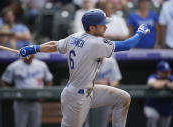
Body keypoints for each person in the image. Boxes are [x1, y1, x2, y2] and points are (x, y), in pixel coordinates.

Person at [19, 9, 150, 127]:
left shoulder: (75, 36)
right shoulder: (95, 43)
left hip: (89, 91)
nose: (105, 26)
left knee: (123, 98)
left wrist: (33, 48)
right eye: (101, 24)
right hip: (76, 96)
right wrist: (139, 33)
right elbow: (127, 45)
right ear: (92, 28)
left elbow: (55, 44)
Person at [0, 55, 53, 127]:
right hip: (21, 102)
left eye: (31, 53)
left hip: (36, 101)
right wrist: (13, 95)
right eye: (27, 54)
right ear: (22, 55)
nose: (29, 56)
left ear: (34, 55)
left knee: (35, 125)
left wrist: (43, 95)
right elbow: (3, 82)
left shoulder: (41, 65)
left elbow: (49, 80)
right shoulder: (14, 66)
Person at [144, 61, 173, 127]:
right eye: (164, 71)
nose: (166, 73)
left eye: (168, 71)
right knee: (153, 116)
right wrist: (166, 82)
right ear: (158, 72)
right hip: (152, 107)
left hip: (166, 110)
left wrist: (167, 84)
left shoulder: (172, 77)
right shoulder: (153, 76)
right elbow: (152, 84)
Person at [95, 57, 122, 127]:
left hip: (106, 96)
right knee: (89, 123)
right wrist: (101, 83)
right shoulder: (90, 60)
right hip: (92, 96)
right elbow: (85, 82)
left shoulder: (111, 61)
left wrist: (108, 85)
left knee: (103, 124)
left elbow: (117, 81)